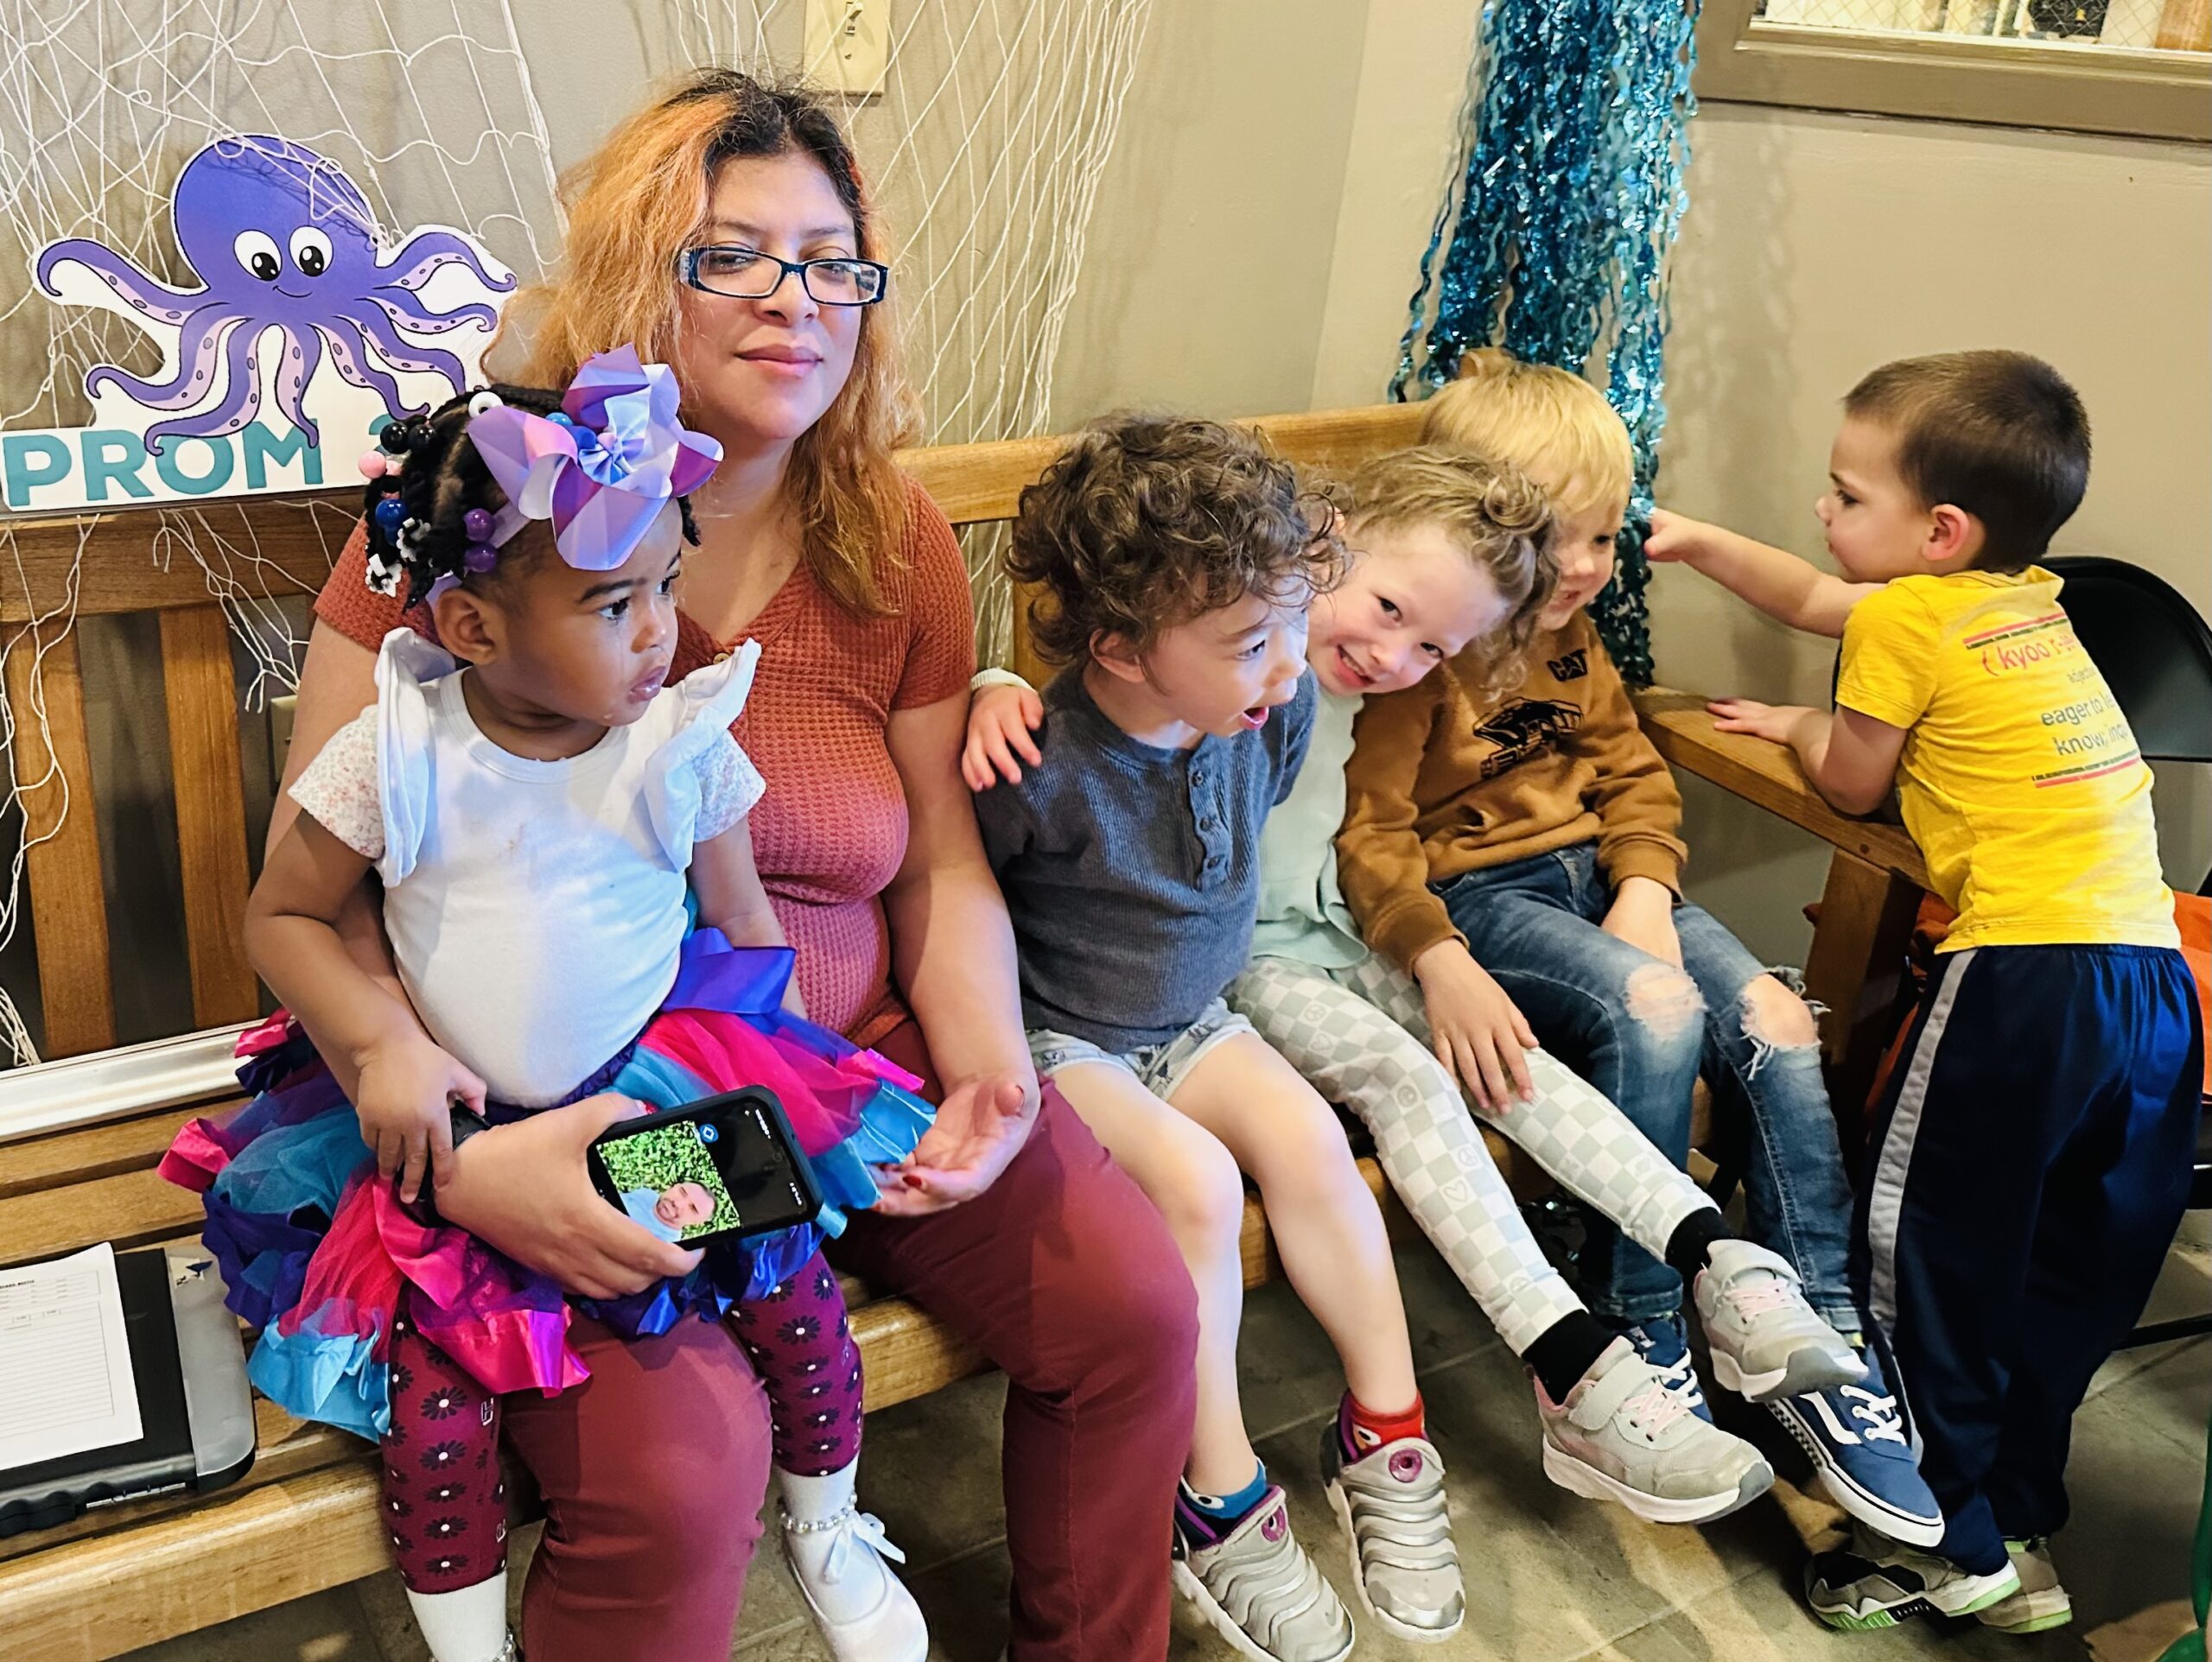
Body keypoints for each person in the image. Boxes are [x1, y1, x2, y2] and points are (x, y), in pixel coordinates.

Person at [251, 70, 1198, 1662]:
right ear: (640, 277)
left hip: (839, 1065)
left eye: (832, 263)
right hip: (543, 1102)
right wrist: (467, 1165)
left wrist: (988, 1068)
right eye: (735, 255)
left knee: (1131, 1308)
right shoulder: (477, 530)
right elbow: (320, 890)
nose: (796, 299)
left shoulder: (891, 538)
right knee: (686, 1473)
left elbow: (937, 863)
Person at [167, 354, 941, 1662]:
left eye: (666, 588)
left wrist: (791, 1087)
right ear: (473, 628)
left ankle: (826, 1522)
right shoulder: (397, 752)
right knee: (435, 1407)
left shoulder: (681, 742)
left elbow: (746, 930)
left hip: (653, 1090)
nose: (659, 632)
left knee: (791, 1293)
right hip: (452, 1120)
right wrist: (380, 1043)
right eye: (611, 603)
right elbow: (282, 917)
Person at [968, 445, 1819, 1532]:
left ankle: (1707, 1251)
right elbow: (1046, 777)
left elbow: (1367, 829)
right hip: (1241, 973)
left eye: (1430, 646)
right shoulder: (1241, 668)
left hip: (1335, 939)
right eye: (1384, 611)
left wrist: (1433, 956)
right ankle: (1567, 1360)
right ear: (1323, 550)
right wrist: (991, 684)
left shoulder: (1311, 693)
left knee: (1502, 1058)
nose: (1392, 655)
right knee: (1409, 1079)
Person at [1336, 349, 1942, 1547]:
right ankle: (1641, 1320)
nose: (1580, 568)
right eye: (1552, 540)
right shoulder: (1425, 654)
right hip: (1482, 899)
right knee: (1656, 1011)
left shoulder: (1574, 641)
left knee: (1775, 1020)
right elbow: (1372, 835)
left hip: (1610, 889)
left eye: (1605, 539)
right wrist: (1432, 951)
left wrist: (1648, 887)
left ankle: (1816, 1339)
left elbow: (1632, 777)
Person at [1649, 348, 2203, 1633]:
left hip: (2025, 980)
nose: (1823, 513)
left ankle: (1931, 1535)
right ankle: (2013, 1522)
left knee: (1927, 1256)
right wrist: (1700, 542)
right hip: (2151, 988)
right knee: (2069, 1269)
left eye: (1847, 496)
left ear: (1939, 532)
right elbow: (1816, 596)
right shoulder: (2025, 604)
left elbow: (1852, 778)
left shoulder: (1906, 621)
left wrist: (1798, 726)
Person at [970, 411, 1431, 1662]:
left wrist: (1257, 666)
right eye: (1247, 644)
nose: (1286, 670)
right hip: (1068, 1042)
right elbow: (966, 895)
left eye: (1288, 628)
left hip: (1197, 1019)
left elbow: (1259, 771)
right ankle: (1217, 1492)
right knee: (1201, 1184)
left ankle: (1388, 1434)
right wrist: (985, 685)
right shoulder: (1039, 763)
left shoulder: (1267, 712)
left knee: (1315, 1145)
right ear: (1119, 647)